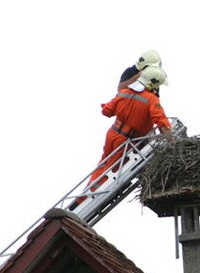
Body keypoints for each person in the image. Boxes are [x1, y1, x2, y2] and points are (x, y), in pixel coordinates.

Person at [69, 66, 171, 210]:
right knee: (110, 172)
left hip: (112, 134)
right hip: (126, 140)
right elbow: (162, 123)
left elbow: (106, 111)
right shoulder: (151, 100)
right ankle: (83, 203)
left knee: (103, 166)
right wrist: (172, 141)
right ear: (154, 83)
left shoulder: (124, 92)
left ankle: (82, 197)